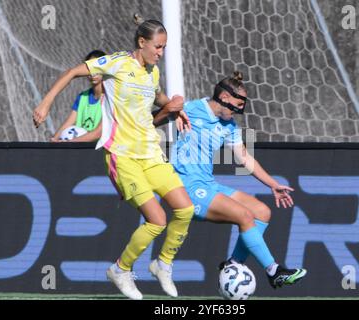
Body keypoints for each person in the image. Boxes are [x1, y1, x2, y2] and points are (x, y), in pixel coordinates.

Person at [33, 15, 195, 300]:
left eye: (164, 47)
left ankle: (163, 263)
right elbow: (72, 72)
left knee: (185, 210)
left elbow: (156, 97)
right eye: (157, 47)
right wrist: (45, 104)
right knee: (157, 221)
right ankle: (121, 270)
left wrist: (174, 107)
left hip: (151, 152)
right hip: (122, 156)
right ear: (142, 43)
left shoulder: (152, 72)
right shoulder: (116, 63)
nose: (160, 53)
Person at [154, 71, 307, 290]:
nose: (242, 108)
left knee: (262, 212)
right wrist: (171, 109)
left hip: (208, 185)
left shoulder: (230, 126)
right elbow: (152, 118)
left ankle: (233, 264)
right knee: (244, 216)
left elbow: (244, 157)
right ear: (225, 97)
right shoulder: (190, 108)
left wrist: (273, 184)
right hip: (185, 188)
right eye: (239, 102)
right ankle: (274, 271)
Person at [51, 50, 106, 142]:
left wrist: (69, 143)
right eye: (89, 68)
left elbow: (98, 133)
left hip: (101, 152)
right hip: (81, 150)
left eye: (97, 68)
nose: (93, 73)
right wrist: (55, 139)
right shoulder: (82, 97)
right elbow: (69, 122)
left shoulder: (111, 98)